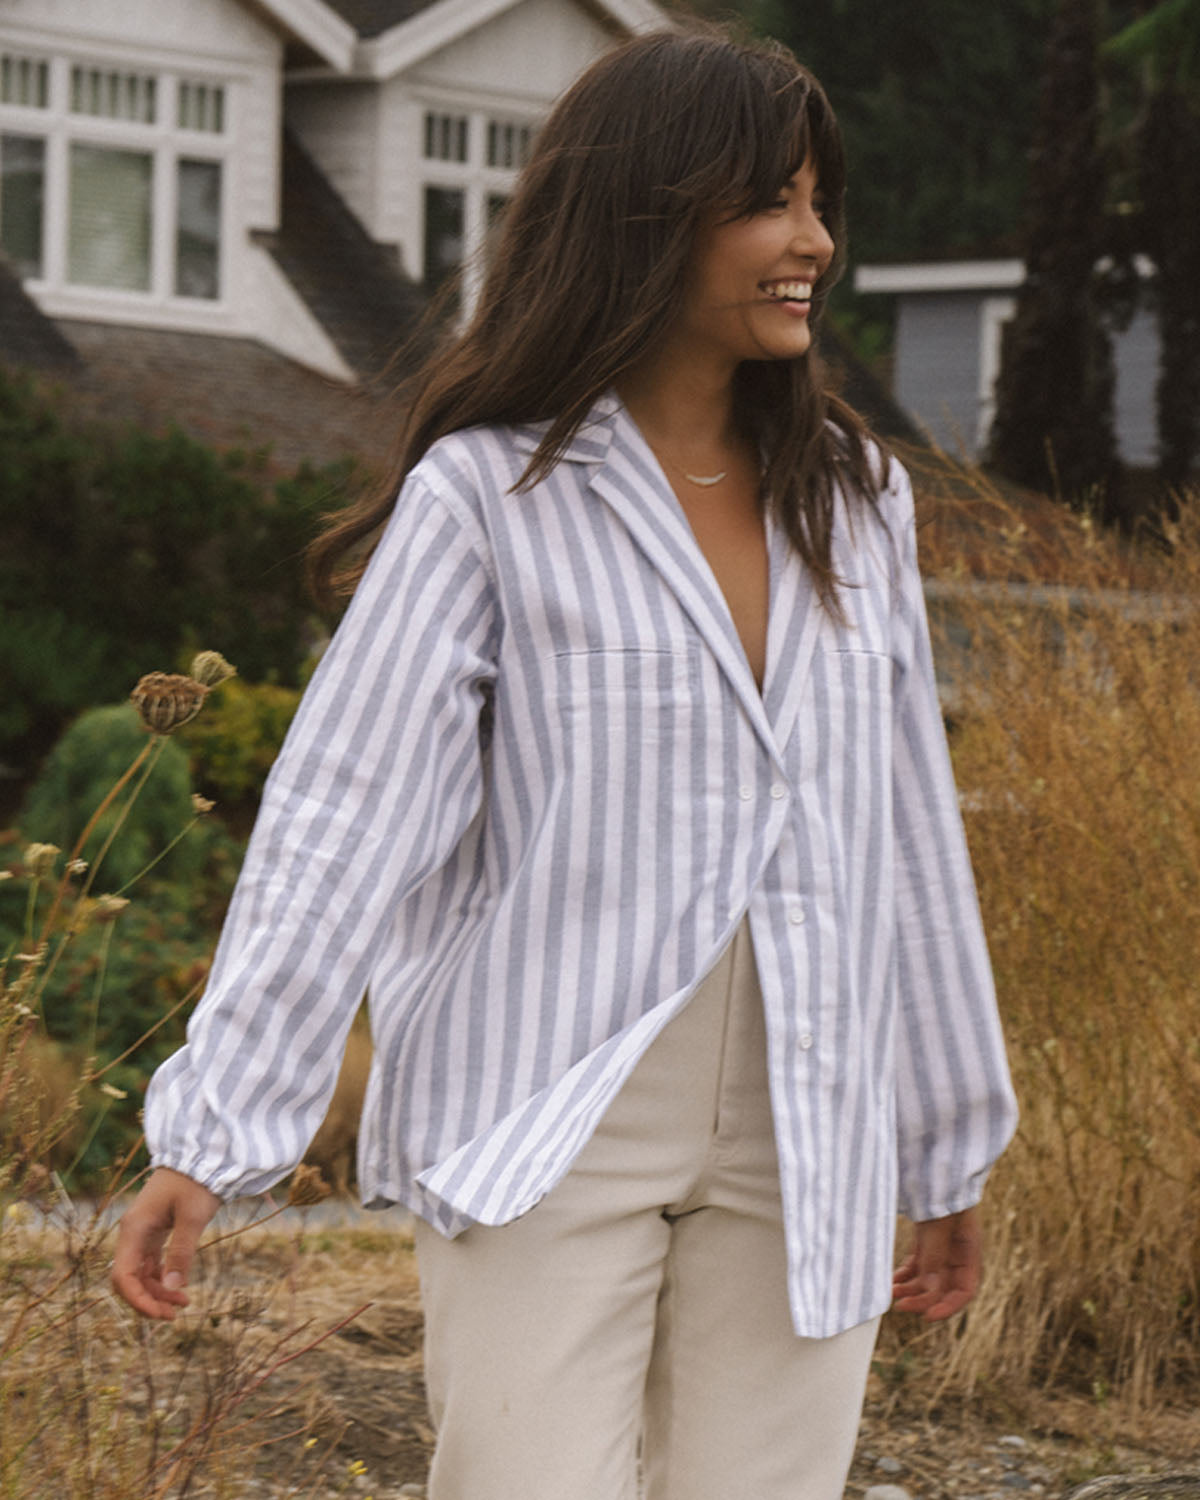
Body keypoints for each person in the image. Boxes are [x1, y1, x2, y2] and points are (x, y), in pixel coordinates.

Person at [113, 24, 1018, 1500]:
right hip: (551, 1099)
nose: (816, 242)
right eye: (770, 204)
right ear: (648, 216)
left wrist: (945, 1141)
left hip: (814, 1105)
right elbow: (345, 814)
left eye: (816, 200)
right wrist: (213, 1134)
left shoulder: (862, 501)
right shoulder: (489, 495)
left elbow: (908, 821)